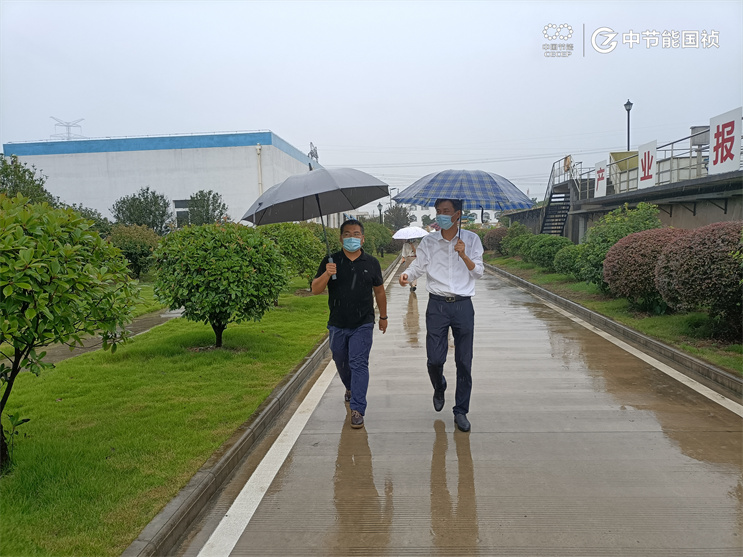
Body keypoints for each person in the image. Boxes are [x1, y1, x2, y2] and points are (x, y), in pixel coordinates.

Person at [399, 199, 484, 432]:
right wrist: (407, 275)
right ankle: (439, 384)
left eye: (446, 211)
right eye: (438, 211)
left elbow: (479, 272)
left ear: (458, 214)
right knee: (435, 359)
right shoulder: (429, 241)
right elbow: (418, 266)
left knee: (464, 361)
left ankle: (461, 411)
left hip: (463, 306)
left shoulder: (472, 240)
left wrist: (464, 255)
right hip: (437, 305)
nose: (441, 215)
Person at [312, 219, 388, 429]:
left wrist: (383, 317)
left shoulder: (371, 263)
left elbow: (379, 291)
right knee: (340, 359)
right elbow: (315, 289)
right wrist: (327, 273)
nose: (351, 238)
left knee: (359, 363)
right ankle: (350, 387)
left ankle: (358, 409)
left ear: (362, 238)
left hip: (363, 323)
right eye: (347, 234)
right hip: (337, 323)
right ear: (340, 238)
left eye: (356, 234)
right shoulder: (331, 261)